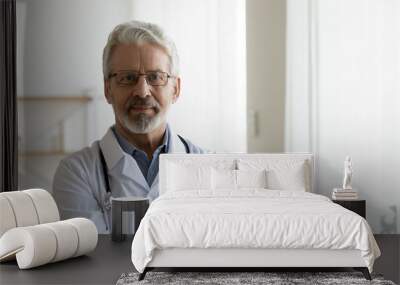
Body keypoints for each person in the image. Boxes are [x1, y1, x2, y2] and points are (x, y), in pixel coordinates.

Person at [53, 20, 205, 233]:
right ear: (108, 89)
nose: (142, 92)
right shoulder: (77, 173)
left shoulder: (208, 167)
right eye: (128, 78)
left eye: (155, 77)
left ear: (176, 89)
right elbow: (92, 260)